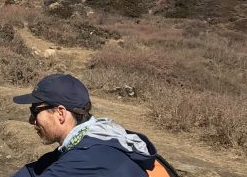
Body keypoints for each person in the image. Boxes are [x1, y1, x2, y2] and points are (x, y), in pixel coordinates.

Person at [11, 73, 169, 177]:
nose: (31, 120)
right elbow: (34, 170)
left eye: (35, 111)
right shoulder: (94, 138)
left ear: (60, 113)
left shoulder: (87, 158)